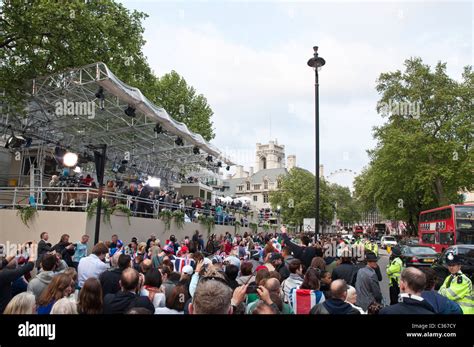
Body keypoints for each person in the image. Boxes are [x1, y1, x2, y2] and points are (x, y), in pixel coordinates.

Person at [0, 249, 36, 313]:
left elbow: (4, 262)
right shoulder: (4, 274)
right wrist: (33, 251)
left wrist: (20, 248)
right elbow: (28, 266)